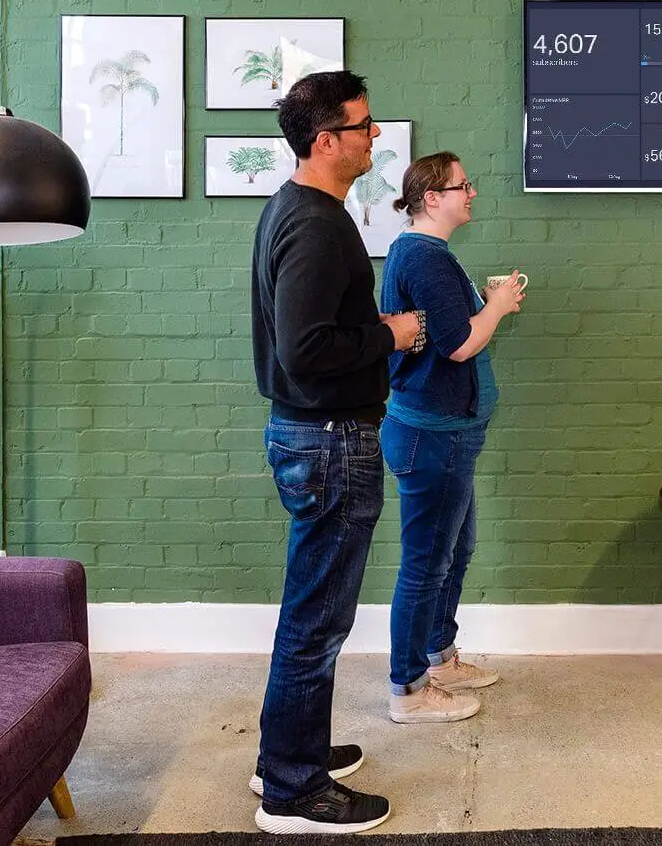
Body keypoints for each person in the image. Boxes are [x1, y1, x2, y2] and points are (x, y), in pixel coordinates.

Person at [250, 70, 420, 834]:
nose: (374, 134)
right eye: (363, 124)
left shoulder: (298, 209)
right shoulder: (316, 225)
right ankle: (293, 790)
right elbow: (306, 348)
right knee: (317, 621)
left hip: (314, 436)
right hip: (329, 440)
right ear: (326, 142)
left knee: (310, 610)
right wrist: (392, 333)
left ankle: (288, 754)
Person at [378, 152, 524, 723]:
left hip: (448, 434)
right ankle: (409, 689)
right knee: (426, 564)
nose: (473, 193)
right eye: (464, 186)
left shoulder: (429, 253)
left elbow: (451, 329)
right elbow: (459, 344)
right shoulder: (424, 256)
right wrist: (498, 307)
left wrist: (485, 304)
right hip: (432, 437)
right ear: (433, 197)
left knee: (453, 551)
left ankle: (438, 658)